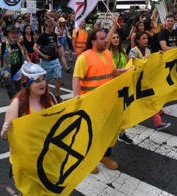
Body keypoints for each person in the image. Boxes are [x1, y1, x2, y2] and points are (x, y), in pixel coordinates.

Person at [73, 29, 131, 174]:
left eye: (106, 38)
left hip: (108, 101)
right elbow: (76, 78)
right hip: (91, 103)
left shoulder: (107, 53)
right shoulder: (84, 57)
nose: (106, 40)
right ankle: (89, 160)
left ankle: (105, 156)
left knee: (110, 130)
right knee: (92, 133)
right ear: (93, 41)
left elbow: (113, 72)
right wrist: (76, 99)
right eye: (102, 38)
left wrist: (127, 70)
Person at [0, 62, 57, 139]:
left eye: (43, 79)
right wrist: (4, 131)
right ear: (28, 84)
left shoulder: (50, 97)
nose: (42, 83)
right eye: (37, 81)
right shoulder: (18, 103)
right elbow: (6, 136)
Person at [130, 31, 170, 130]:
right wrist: (144, 59)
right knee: (136, 103)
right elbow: (130, 65)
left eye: (147, 38)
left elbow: (152, 64)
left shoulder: (148, 50)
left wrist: (159, 56)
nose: (146, 40)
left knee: (151, 100)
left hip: (146, 82)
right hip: (136, 83)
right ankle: (129, 122)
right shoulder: (133, 51)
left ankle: (158, 123)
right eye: (143, 38)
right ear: (138, 40)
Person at [106, 18, 132, 144]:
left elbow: (130, 62)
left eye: (117, 38)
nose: (116, 39)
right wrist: (113, 27)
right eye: (113, 38)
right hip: (111, 87)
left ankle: (122, 133)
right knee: (112, 113)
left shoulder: (122, 51)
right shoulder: (108, 52)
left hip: (122, 86)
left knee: (122, 110)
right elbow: (113, 71)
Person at [0, 25, 29, 99]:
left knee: (20, 94)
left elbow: (26, 54)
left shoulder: (19, 44)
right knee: (13, 96)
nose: (14, 35)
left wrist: (31, 66)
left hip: (19, 74)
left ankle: (18, 109)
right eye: (12, 33)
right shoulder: (2, 45)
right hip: (7, 74)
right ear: (7, 34)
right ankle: (14, 109)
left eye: (16, 33)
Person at [34, 19, 63, 102]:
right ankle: (45, 94)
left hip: (55, 60)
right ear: (45, 27)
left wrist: (57, 24)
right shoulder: (42, 36)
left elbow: (60, 33)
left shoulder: (54, 35)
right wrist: (43, 55)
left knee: (58, 76)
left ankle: (57, 95)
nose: (51, 28)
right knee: (46, 80)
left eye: (52, 27)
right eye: (49, 27)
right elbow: (34, 47)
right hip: (45, 62)